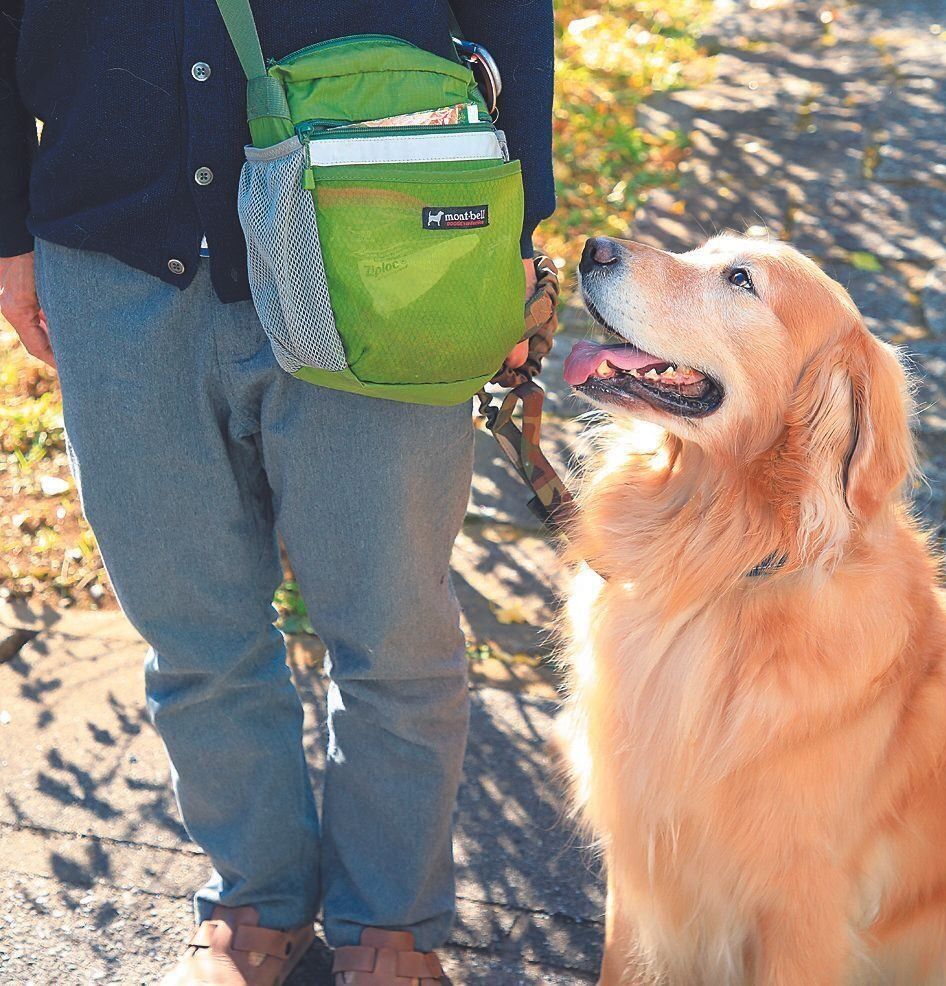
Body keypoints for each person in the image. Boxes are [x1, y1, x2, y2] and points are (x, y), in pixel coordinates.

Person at [0, 3, 555, 984]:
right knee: (192, 631)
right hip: (110, 250)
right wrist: (6, 228)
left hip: (382, 233)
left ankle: (391, 929)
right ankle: (255, 904)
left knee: (393, 631)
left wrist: (519, 216)